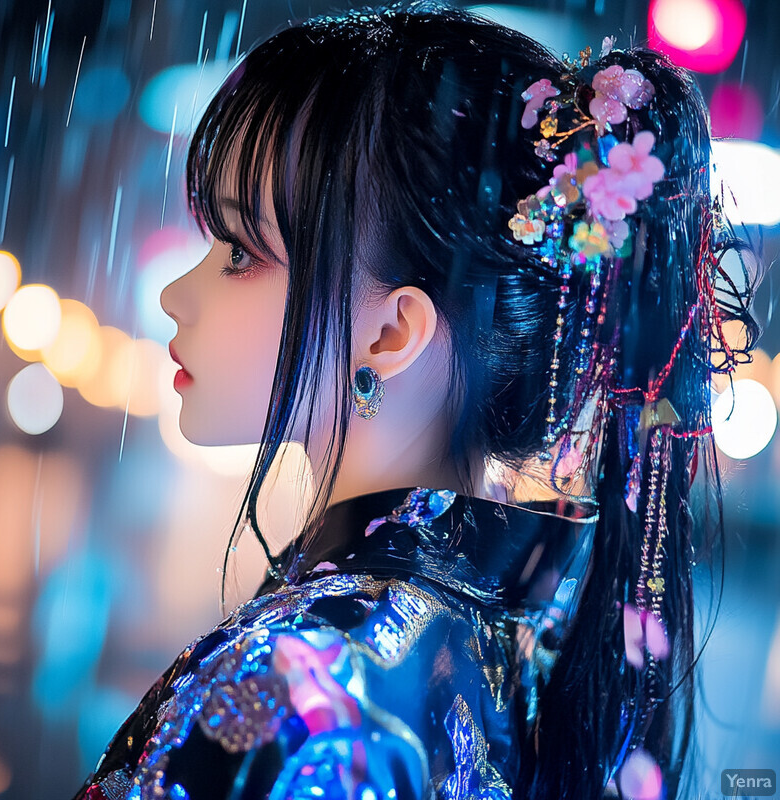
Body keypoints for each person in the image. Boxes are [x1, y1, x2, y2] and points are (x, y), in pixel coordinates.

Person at [72, 3, 760, 799]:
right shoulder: (532, 647)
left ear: (393, 332)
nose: (171, 294)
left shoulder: (289, 691)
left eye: (237, 251)